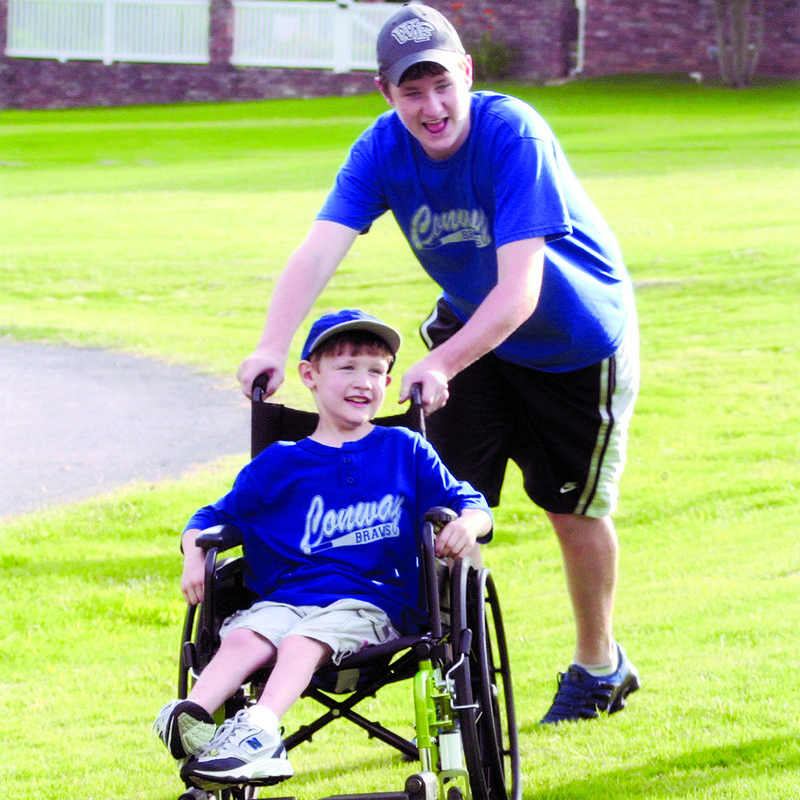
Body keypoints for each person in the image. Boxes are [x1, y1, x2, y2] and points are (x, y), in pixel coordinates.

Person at [236, 3, 640, 725]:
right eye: (412, 91)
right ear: (385, 93)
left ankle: (599, 666)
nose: (432, 107)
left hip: (573, 343)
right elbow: (320, 248)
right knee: (443, 510)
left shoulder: (511, 132)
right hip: (471, 328)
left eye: (443, 85)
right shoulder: (381, 150)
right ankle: (463, 671)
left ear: (467, 75)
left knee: (569, 508)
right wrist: (273, 342)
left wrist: (445, 361)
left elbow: (522, 291)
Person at [154, 308, 493, 788]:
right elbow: (209, 520)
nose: (364, 381)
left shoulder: (404, 449)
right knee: (246, 634)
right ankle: (191, 715)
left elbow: (470, 503)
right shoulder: (279, 464)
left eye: (376, 371)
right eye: (348, 368)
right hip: (286, 599)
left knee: (298, 641)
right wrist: (195, 556)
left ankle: (259, 732)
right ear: (309, 376)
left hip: (372, 601)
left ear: (388, 379)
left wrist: (468, 525)